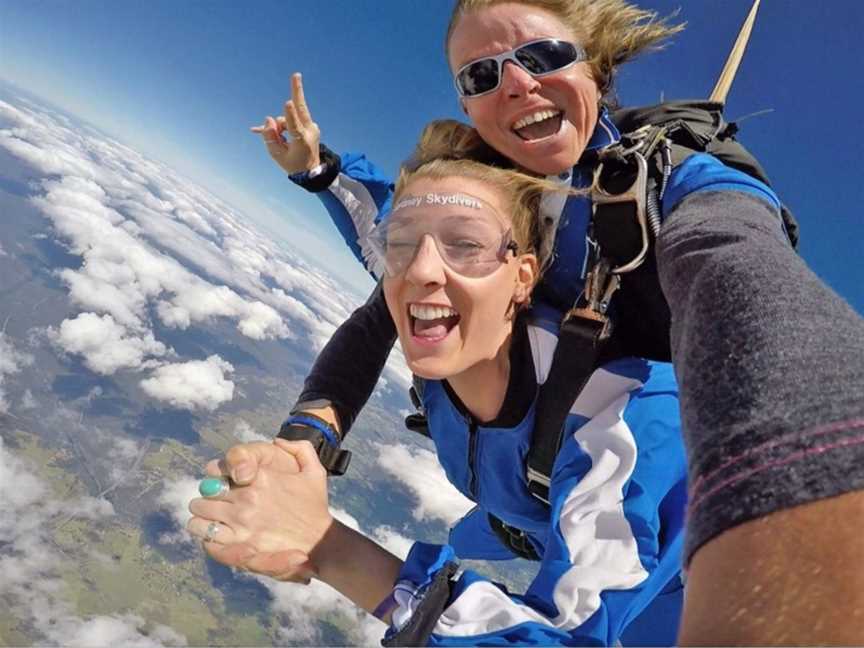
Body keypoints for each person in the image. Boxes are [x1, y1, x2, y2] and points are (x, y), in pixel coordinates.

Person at [229, 0, 864, 642]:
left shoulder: (678, 192)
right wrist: (307, 439)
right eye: (481, 76)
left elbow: (742, 277)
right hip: (519, 502)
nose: (515, 82)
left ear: (598, 64)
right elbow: (385, 275)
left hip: (638, 536)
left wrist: (817, 481)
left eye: (543, 57)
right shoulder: (475, 211)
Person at [189, 131, 689, 645]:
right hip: (515, 514)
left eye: (466, 245)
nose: (423, 269)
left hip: (672, 596)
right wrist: (304, 447)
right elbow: (371, 271)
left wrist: (327, 547)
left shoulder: (625, 420)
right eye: (402, 246)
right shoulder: (439, 313)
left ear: (523, 276)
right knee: (467, 535)